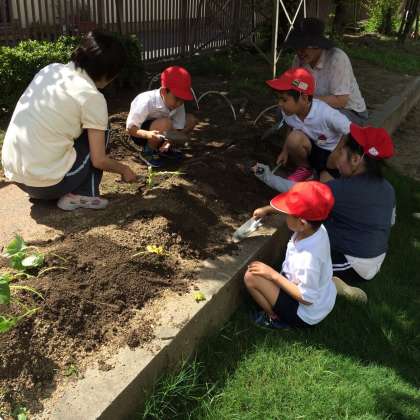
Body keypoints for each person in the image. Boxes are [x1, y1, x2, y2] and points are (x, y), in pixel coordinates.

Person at [1, 30, 137, 211]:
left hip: (17, 177)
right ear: (108, 73)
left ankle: (47, 186)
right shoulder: (92, 97)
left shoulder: (50, 70)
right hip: (47, 186)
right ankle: (84, 194)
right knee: (101, 128)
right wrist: (124, 170)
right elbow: (98, 160)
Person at [244, 181, 337, 329]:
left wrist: (273, 275)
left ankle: (274, 319)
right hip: (321, 298)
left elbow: (307, 298)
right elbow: (299, 213)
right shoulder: (316, 228)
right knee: (258, 274)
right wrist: (267, 210)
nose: (286, 214)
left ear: (302, 224)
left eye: (288, 213)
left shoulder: (308, 259)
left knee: (251, 277)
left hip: (305, 313)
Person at [325, 124, 395, 292]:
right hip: (376, 257)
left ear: (356, 159)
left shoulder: (339, 189)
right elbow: (391, 222)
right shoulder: (388, 188)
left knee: (301, 265)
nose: (337, 158)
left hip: (352, 264)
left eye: (341, 152)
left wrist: (268, 207)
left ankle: (335, 286)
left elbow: (299, 201)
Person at [255, 67, 351, 183]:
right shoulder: (289, 113)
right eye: (279, 99)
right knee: (293, 139)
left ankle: (325, 174)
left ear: (304, 98)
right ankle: (305, 168)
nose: (279, 104)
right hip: (312, 149)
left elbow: (351, 130)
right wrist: (285, 151)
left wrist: (337, 152)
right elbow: (290, 127)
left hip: (330, 155)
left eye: (284, 100)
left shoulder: (326, 114)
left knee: (325, 187)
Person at [286, 17, 368, 125]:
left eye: (305, 46)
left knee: (317, 120)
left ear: (318, 45)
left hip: (349, 111)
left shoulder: (336, 58)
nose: (300, 51)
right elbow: (295, 86)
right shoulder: (299, 60)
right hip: (314, 107)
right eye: (297, 46)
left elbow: (341, 101)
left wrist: (307, 101)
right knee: (284, 111)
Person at [126, 66, 197, 168]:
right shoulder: (146, 101)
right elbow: (130, 129)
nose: (180, 103)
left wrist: (169, 142)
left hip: (162, 133)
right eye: (177, 99)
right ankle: (148, 151)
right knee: (166, 122)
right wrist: (148, 134)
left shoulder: (178, 104)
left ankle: (165, 149)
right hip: (141, 134)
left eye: (182, 100)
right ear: (164, 92)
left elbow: (178, 128)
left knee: (191, 120)